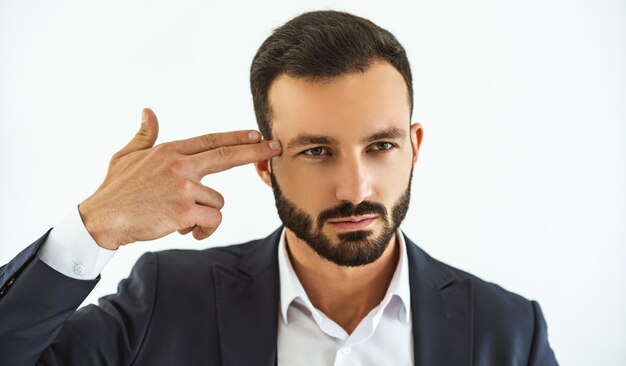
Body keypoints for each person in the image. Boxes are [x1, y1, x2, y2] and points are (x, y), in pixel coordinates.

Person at [0, 10, 558, 366]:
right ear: (265, 166)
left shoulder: (510, 334)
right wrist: (92, 228)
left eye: (381, 147)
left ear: (414, 147)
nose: (354, 187)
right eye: (317, 151)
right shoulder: (169, 300)